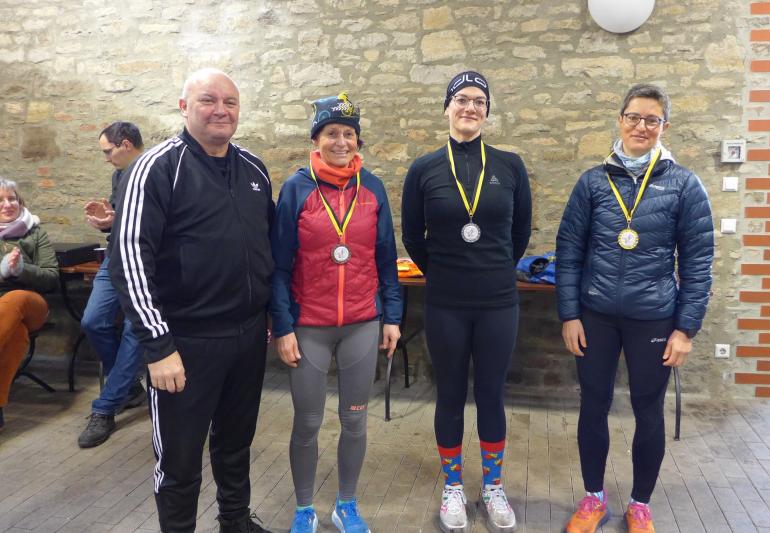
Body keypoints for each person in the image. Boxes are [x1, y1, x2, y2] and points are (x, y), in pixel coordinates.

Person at [109, 68, 276, 533]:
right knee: (180, 459)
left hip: (247, 337)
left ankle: (235, 521)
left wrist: (267, 312)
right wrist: (157, 347)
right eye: (208, 100)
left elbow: (265, 245)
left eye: (230, 102)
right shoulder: (157, 167)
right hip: (184, 344)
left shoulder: (254, 168)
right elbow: (129, 260)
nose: (221, 110)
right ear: (184, 107)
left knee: (235, 443)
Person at [556, 83, 713, 533]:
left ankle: (640, 504)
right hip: (596, 316)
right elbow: (569, 251)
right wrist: (570, 314)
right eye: (633, 117)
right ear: (620, 120)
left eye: (651, 119)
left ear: (664, 126)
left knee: (648, 410)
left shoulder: (684, 185)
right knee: (593, 406)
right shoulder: (592, 182)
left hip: (655, 317)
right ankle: (593, 498)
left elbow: (698, 262)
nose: (641, 126)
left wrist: (685, 329)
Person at [401, 71, 532, 533]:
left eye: (479, 101)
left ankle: (493, 486)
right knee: (451, 394)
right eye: (461, 99)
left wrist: (492, 269)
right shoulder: (424, 169)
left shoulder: (510, 166)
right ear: (447, 107)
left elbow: (520, 233)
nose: (470, 107)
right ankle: (453, 487)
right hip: (446, 303)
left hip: (497, 301)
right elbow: (412, 235)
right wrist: (443, 272)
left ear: (487, 111)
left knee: (492, 394)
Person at [271, 92, 403, 533]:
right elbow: (278, 265)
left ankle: (346, 504)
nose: (341, 141)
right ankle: (304, 508)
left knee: (355, 419)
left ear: (357, 140)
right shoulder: (296, 189)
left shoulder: (373, 188)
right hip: (309, 326)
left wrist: (392, 316)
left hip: (362, 324)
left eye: (349, 133)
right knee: (307, 421)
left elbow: (387, 259)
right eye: (332, 133)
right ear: (316, 139)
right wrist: (282, 326)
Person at [78, 121, 146, 448]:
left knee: (136, 330)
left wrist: (117, 220)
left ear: (126, 144)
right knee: (93, 321)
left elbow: (163, 223)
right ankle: (129, 386)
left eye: (108, 151)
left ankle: (104, 408)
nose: (106, 158)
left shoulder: (156, 171)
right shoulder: (119, 175)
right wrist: (108, 221)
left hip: (147, 265)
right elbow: (120, 219)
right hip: (115, 259)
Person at [0, 178, 59, 430]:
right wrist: (2, 271)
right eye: (0, 200)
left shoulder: (35, 232)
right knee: (17, 335)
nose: (7, 204)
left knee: (17, 297)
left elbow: (51, 277)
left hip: (32, 303)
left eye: (12, 198)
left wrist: (21, 270)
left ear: (20, 201)